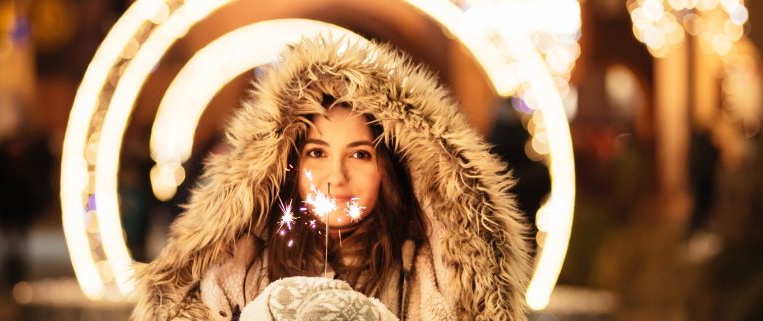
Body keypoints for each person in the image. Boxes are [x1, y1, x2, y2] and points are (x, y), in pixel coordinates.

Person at [132, 36, 532, 321]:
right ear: (287, 164)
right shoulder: (241, 266)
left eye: (359, 154)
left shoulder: (428, 274)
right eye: (317, 153)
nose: (335, 177)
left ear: (387, 170)